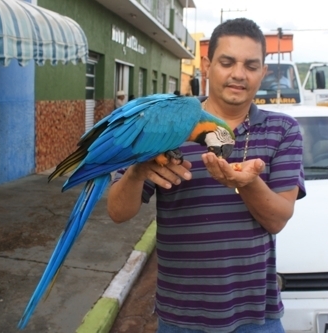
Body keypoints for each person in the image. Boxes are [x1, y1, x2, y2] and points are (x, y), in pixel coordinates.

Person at [107, 17, 306, 333]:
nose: (238, 74)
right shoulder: (168, 125)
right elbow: (118, 212)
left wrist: (248, 182)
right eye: (227, 62)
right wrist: (137, 170)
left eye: (251, 66)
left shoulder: (283, 131)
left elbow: (277, 219)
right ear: (207, 64)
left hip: (256, 317)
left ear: (263, 72)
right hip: (180, 318)